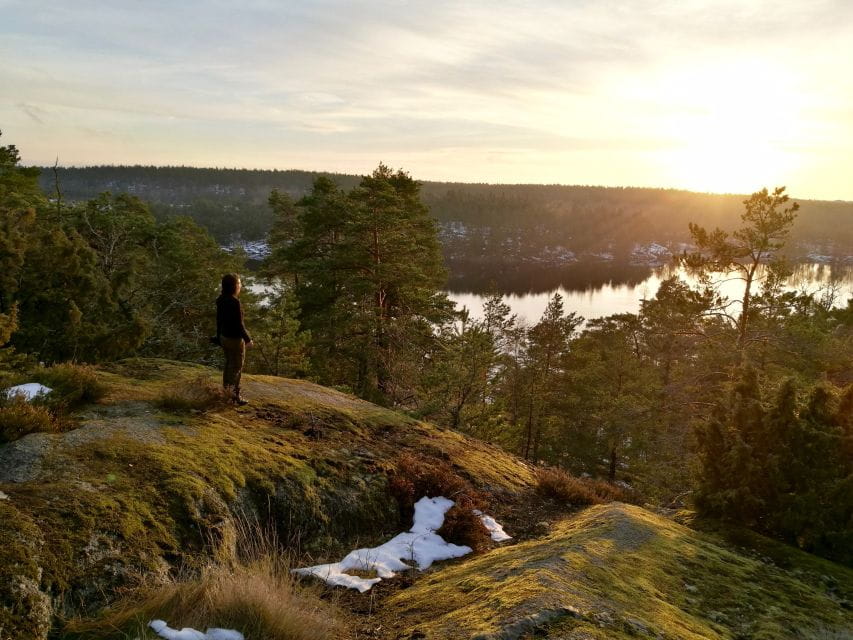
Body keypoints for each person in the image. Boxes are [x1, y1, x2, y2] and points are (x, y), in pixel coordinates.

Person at [216, 273, 253, 405]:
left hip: (224, 337)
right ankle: (233, 397)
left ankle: (226, 392)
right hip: (235, 340)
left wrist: (217, 336)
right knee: (236, 367)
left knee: (228, 365)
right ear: (234, 286)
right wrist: (248, 339)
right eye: (239, 283)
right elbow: (239, 324)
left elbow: (219, 321)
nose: (241, 285)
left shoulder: (220, 299)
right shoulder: (234, 302)